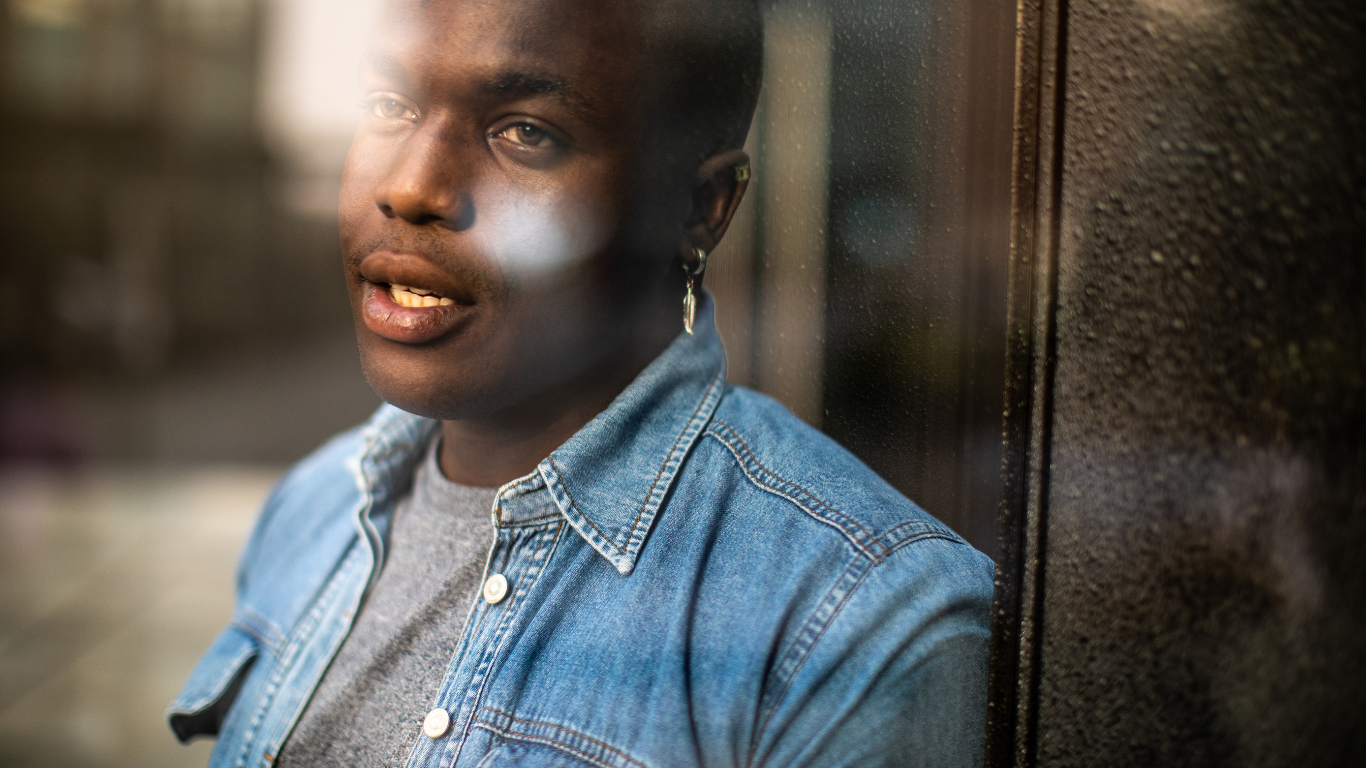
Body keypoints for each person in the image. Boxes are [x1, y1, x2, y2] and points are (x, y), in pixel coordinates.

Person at [168, 0, 995, 765]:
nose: (411, 186)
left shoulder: (858, 622)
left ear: (700, 207)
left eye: (526, 131)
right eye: (391, 104)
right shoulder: (313, 510)